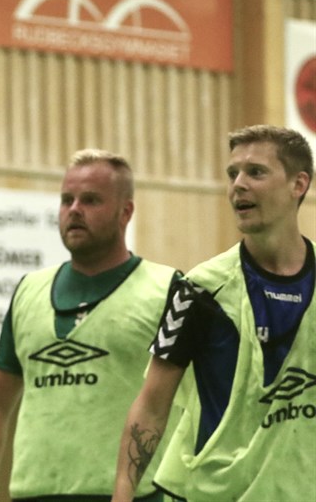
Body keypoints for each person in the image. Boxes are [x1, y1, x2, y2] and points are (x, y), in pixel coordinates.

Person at [112, 125, 315, 501]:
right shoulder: (199, 289)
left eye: (255, 172)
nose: (238, 185)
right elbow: (152, 406)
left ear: (298, 184)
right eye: (232, 173)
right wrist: (122, 496)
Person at [0, 149, 180, 502]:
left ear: (126, 212)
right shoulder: (29, 291)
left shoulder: (169, 289)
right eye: (67, 200)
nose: (74, 210)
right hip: (34, 495)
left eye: (91, 200)